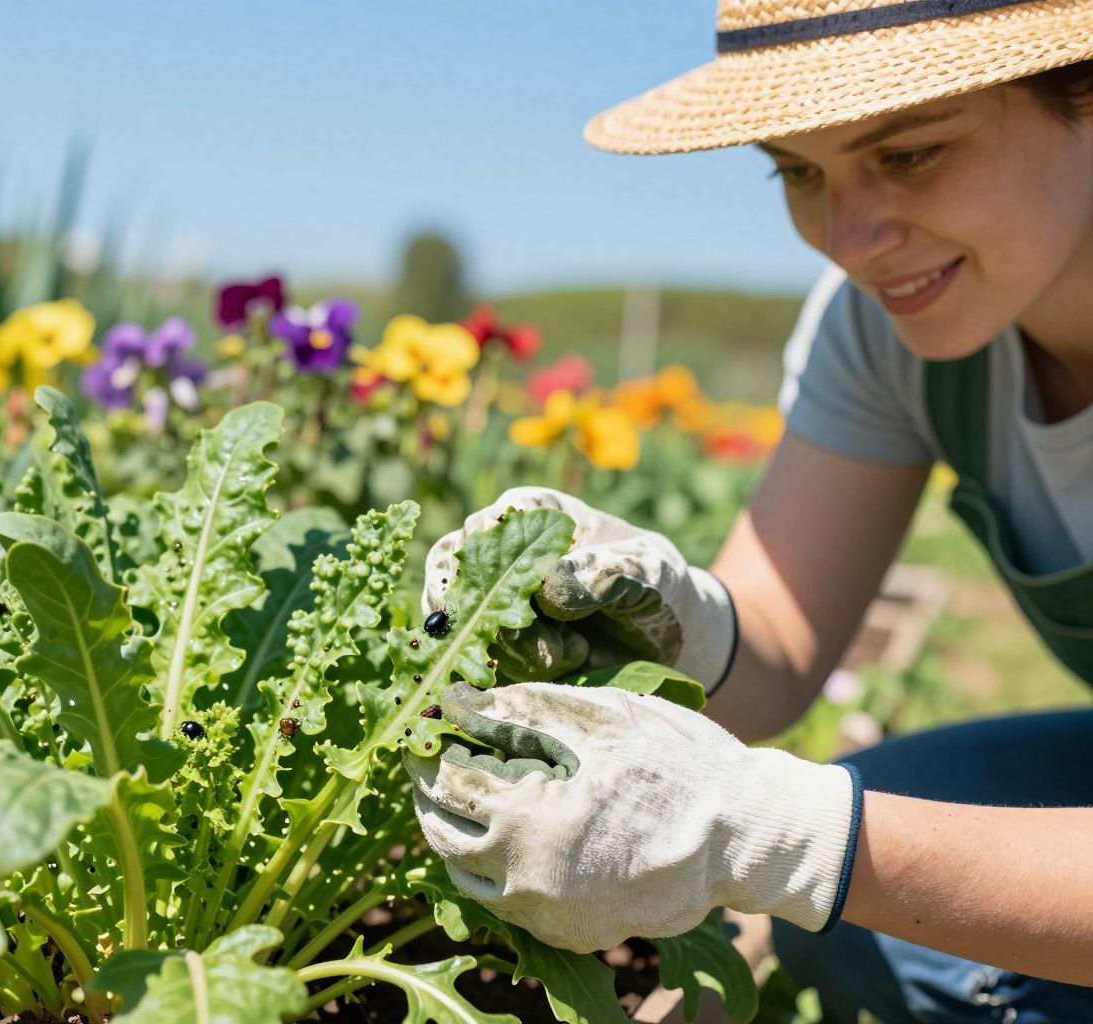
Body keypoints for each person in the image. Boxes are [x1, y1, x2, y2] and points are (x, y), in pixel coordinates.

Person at [406, 1, 1093, 1020]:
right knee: (871, 922)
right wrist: (676, 621)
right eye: (798, 172)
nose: (851, 240)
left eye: (907, 155)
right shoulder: (883, 327)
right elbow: (773, 639)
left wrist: (784, 835)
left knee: (875, 880)